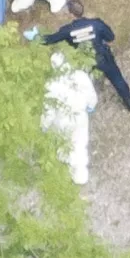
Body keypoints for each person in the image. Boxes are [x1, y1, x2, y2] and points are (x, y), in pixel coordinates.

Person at [39, 0, 130, 111]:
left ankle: (85, 101)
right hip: (103, 57)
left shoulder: (67, 30)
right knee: (116, 78)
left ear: (70, 14)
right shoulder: (96, 24)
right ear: (83, 10)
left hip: (85, 61)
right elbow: (111, 37)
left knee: (84, 81)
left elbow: (51, 39)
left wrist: (37, 38)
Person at [41, 52, 98, 185]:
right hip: (80, 116)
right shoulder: (79, 75)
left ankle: (69, 167)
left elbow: (49, 110)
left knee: (65, 144)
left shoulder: (51, 85)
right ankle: (81, 174)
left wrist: (44, 125)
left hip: (62, 120)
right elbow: (90, 93)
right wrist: (91, 105)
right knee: (80, 142)